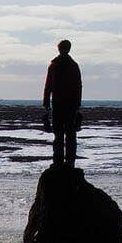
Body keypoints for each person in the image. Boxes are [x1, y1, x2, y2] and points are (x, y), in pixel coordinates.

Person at [42, 39, 82, 168]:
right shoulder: (72, 65)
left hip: (59, 103)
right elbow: (78, 86)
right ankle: (69, 162)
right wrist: (78, 104)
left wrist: (46, 101)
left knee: (59, 134)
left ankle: (59, 161)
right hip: (69, 103)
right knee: (69, 134)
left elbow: (48, 85)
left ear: (59, 49)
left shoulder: (54, 65)